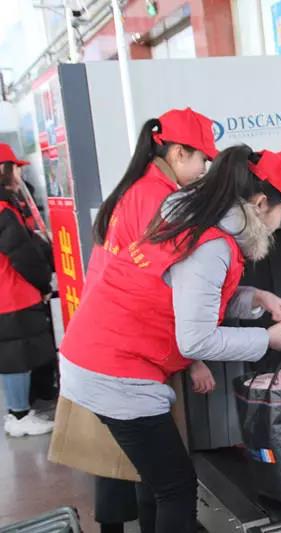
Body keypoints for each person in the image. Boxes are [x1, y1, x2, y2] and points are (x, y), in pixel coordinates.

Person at [58, 145, 281, 533]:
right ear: (260, 204)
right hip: (115, 368)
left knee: (158, 480)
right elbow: (195, 340)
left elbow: (189, 295)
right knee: (176, 487)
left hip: (98, 353)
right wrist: (265, 339)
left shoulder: (193, 218)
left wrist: (257, 298)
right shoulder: (213, 244)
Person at [85, 108, 219, 533]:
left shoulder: (138, 188)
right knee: (171, 483)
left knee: (147, 470)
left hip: (107, 339)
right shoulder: (158, 199)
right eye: (202, 159)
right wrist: (194, 357)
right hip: (128, 347)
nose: (204, 170)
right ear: (178, 153)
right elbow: (164, 284)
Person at [0, 143, 56, 437]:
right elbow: (22, 255)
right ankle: (19, 415)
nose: (20, 174)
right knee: (16, 358)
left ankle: (18, 411)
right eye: (16, 168)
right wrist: (43, 283)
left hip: (8, 293)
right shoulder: (3, 210)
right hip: (12, 294)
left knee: (13, 356)